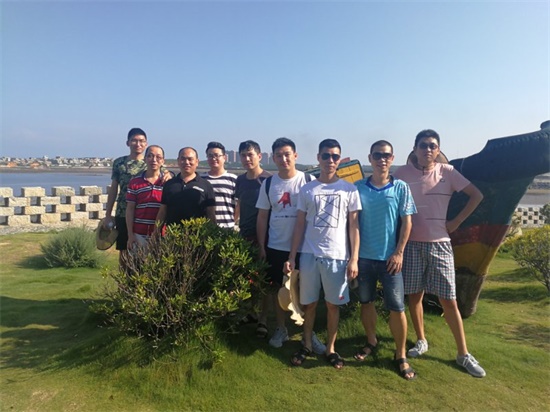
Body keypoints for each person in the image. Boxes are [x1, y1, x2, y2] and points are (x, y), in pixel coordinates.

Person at [394, 129, 486, 378]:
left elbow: (476, 195)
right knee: (415, 296)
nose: (428, 149)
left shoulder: (448, 172)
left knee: (449, 300)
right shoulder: (401, 174)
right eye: (423, 145)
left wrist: (456, 222)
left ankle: (463, 353)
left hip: (440, 244)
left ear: (438, 150)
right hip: (411, 244)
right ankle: (421, 340)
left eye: (433, 146)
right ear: (415, 148)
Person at [284, 139, 360, 369]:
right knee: (309, 304)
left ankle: (331, 348)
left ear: (339, 159)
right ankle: (306, 344)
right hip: (309, 255)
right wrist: (292, 256)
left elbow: (354, 227)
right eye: (326, 156)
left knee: (333, 305)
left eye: (335, 156)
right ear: (318, 158)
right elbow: (299, 225)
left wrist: (354, 259)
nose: (330, 160)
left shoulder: (349, 189)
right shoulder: (307, 189)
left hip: (337, 256)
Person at [354, 140, 417, 380]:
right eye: (377, 155)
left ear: (392, 158)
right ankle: (371, 340)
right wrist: (353, 256)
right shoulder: (358, 187)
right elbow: (353, 224)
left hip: (390, 259)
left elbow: (407, 222)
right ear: (370, 158)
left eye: (386, 155)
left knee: (397, 307)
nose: (382, 159)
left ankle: (400, 354)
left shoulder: (401, 187)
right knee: (366, 302)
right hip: (364, 258)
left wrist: (399, 252)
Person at [256, 137, 325, 354]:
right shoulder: (268, 184)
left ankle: (308, 332)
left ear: (295, 155)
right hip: (276, 246)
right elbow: (262, 217)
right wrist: (262, 246)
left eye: (287, 154)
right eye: (279, 155)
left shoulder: (309, 181)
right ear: (273, 158)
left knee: (306, 292)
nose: (283, 159)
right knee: (280, 291)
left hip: (306, 247)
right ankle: (281, 328)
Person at [234, 140, 272, 337]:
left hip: (265, 236)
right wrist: (235, 223)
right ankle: (251, 312)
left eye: (250, 155)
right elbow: (240, 203)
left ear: (259, 156)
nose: (247, 159)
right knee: (247, 278)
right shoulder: (240, 180)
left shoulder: (269, 180)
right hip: (244, 234)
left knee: (264, 280)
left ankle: (263, 319)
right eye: (243, 155)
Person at [104, 128, 149, 266]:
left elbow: (165, 175)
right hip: (123, 212)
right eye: (134, 140)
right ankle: (125, 279)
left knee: (146, 252)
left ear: (146, 143)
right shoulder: (119, 163)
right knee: (124, 251)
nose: (138, 144)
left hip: (144, 214)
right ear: (128, 143)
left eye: (141, 141)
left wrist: (169, 174)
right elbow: (114, 189)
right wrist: (108, 215)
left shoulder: (151, 162)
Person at [155, 147, 216, 228]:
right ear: (178, 161)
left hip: (198, 234)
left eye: (190, 159)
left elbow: (211, 213)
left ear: (197, 162)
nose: (187, 162)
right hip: (173, 234)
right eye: (183, 159)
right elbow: (163, 211)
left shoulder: (206, 185)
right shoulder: (169, 184)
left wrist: (213, 232)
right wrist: (156, 231)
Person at [125, 145, 166, 249]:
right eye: (150, 156)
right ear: (145, 159)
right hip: (139, 234)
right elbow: (130, 209)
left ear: (163, 161)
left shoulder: (167, 183)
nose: (154, 160)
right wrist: (130, 234)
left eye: (158, 157)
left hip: (161, 235)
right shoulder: (135, 182)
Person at [202, 142, 238, 228]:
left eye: (217, 155)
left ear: (224, 158)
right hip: (205, 228)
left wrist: (232, 221)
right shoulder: (201, 179)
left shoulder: (233, 179)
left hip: (227, 227)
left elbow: (238, 206)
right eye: (210, 156)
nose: (213, 158)